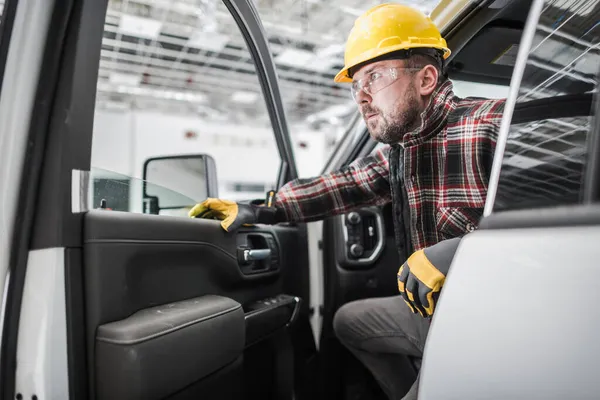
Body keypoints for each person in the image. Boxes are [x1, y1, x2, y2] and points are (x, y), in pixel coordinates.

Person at [189, 3, 505, 399]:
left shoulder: (493, 125)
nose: (362, 97)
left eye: (375, 77)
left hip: (490, 323)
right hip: (434, 314)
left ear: (426, 79)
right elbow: (343, 184)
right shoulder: (400, 152)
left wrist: (458, 252)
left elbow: (559, 221)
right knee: (348, 322)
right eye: (357, 84)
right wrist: (262, 208)